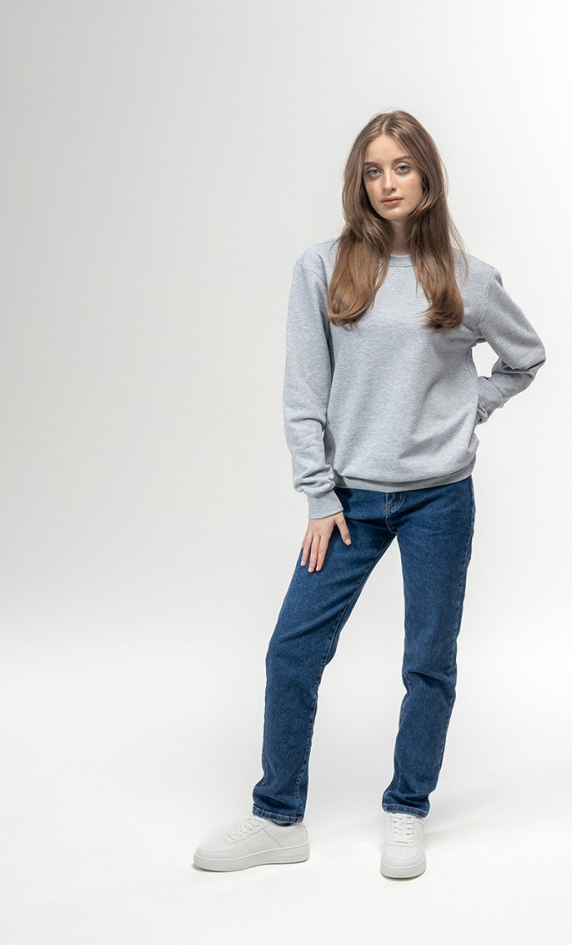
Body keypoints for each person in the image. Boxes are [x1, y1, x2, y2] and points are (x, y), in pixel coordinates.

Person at [192, 109, 546, 879]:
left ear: (428, 177)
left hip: (438, 501)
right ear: (358, 181)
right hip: (349, 502)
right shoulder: (322, 267)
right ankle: (277, 819)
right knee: (293, 653)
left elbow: (525, 358)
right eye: (373, 170)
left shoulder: (468, 277)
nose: (388, 183)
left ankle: (406, 809)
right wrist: (318, 496)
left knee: (428, 663)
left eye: (402, 167)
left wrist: (466, 411)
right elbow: (303, 390)